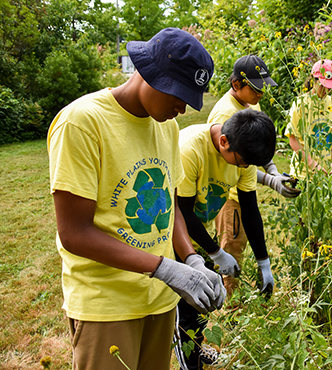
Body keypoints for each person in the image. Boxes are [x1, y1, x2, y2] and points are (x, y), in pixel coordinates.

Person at [47, 27, 225, 370]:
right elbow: (74, 233)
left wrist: (190, 259)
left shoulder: (166, 126)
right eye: (178, 93)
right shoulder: (82, 123)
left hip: (159, 299)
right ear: (149, 72)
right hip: (107, 305)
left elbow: (168, 204)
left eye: (191, 97)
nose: (183, 107)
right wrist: (162, 267)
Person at [174, 109, 277, 370]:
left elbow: (250, 210)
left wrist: (264, 262)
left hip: (196, 234)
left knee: (200, 301)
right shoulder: (190, 150)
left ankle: (197, 349)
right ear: (223, 142)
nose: (244, 169)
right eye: (242, 163)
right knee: (184, 307)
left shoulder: (242, 154)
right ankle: (190, 362)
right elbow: (181, 211)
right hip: (170, 236)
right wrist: (216, 252)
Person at [207, 55, 300, 295]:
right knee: (231, 255)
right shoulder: (223, 117)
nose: (260, 94)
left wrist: (272, 171)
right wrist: (269, 181)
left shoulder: (249, 104)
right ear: (236, 85)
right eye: (256, 88)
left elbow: (254, 147)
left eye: (263, 88)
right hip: (228, 197)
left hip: (244, 187)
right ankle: (230, 311)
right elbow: (236, 164)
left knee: (242, 247)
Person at [285, 59, 332, 178]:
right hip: (303, 173)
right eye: (324, 86)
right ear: (314, 80)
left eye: (330, 87)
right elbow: (293, 140)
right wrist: (313, 164)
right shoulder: (301, 104)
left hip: (326, 174)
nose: (327, 90)